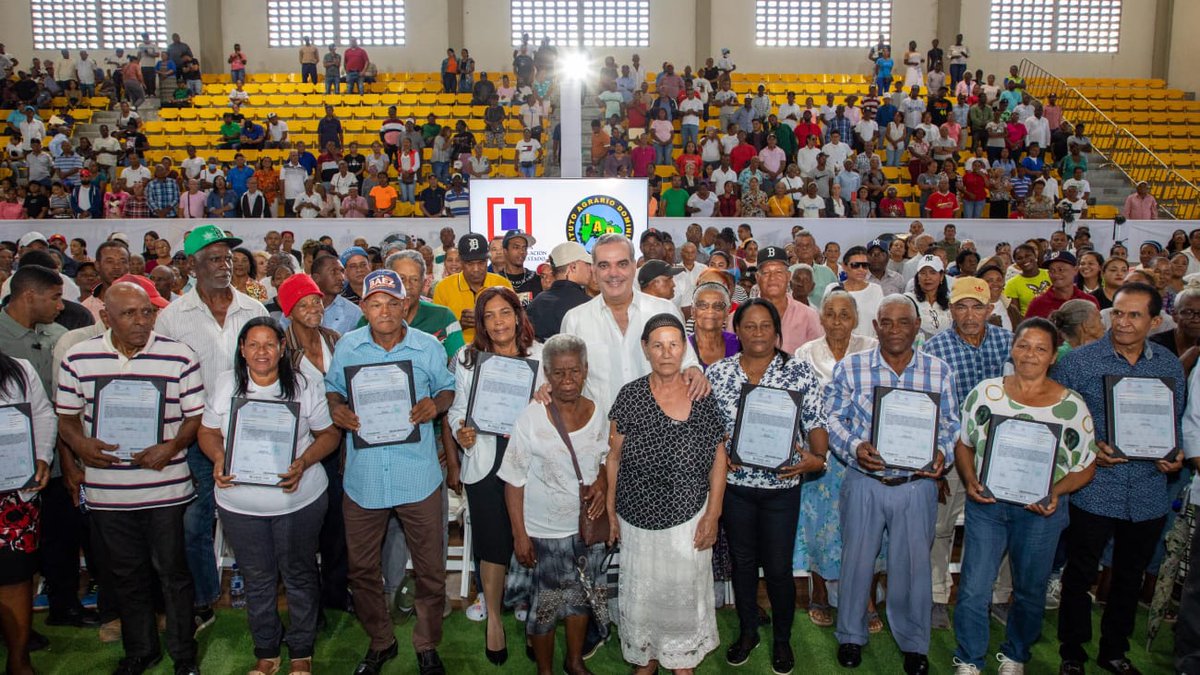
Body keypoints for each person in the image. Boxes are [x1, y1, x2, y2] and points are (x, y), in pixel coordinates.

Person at [57, 281, 203, 675]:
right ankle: (141, 650)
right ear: (106, 317)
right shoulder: (79, 357)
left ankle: (184, 655)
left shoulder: (178, 356)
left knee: (173, 574)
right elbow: (66, 418)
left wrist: (170, 448)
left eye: (146, 313)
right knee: (126, 575)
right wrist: (81, 446)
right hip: (108, 493)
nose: (141, 321)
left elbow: (195, 418)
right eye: (128, 314)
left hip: (167, 488)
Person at [325, 269, 454, 675]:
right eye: (375, 303)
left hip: (417, 473)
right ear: (364, 307)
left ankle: (427, 643)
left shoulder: (426, 348)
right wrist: (336, 407)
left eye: (392, 303)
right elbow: (333, 387)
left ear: (405, 306)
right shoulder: (348, 346)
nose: (384, 311)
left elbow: (447, 388)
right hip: (364, 478)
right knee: (362, 569)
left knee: (431, 568)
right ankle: (381, 640)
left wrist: (436, 405)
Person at [1052, 282, 1186, 675]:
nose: (1123, 322)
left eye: (1134, 315)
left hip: (1147, 488)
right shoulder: (1078, 362)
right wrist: (1090, 449)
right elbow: (1061, 425)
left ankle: (1114, 651)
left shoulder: (1166, 365)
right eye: (1118, 313)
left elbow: (1172, 424)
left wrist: (1174, 454)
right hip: (1095, 487)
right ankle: (1072, 653)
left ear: (1155, 320)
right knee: (1080, 573)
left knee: (1129, 576)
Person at [951, 318, 1097, 674]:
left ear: (1052, 357)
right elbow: (964, 444)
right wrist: (970, 479)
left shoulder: (1071, 406)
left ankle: (1015, 653)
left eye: (1040, 348)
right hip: (987, 505)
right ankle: (969, 658)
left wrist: (1055, 492)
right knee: (973, 588)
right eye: (1023, 345)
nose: (1030, 354)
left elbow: (1086, 465)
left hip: (1041, 513)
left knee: (1030, 590)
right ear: (1012, 348)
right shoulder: (987, 393)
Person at [826, 295, 959, 674]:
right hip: (864, 479)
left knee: (913, 566)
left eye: (904, 322)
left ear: (917, 327)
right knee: (856, 562)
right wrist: (854, 446)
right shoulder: (851, 369)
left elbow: (952, 423)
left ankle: (914, 642)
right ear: (876, 326)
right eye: (887, 322)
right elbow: (833, 418)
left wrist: (942, 454)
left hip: (916, 485)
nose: (895, 329)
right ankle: (851, 636)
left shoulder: (938, 371)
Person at [197, 317, 338, 675]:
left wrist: (303, 462)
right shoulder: (227, 383)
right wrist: (217, 457)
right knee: (258, 578)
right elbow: (208, 432)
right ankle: (267, 650)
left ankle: (302, 650)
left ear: (281, 348)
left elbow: (329, 435)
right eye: (254, 345)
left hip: (298, 500)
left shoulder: (305, 384)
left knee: (299, 573)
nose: (262, 352)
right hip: (239, 503)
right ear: (242, 350)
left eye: (270, 344)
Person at [155, 225, 267, 630]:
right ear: (191, 265)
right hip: (197, 436)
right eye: (214, 258)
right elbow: (165, 382)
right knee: (195, 522)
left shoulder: (254, 310)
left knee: (256, 518)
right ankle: (204, 598)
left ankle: (259, 593)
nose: (225, 265)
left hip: (253, 433)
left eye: (227, 257)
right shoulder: (171, 318)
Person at [708, 299, 829, 674]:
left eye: (765, 326)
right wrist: (722, 450)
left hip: (781, 487)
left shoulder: (799, 372)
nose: (757, 333)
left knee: (778, 568)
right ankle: (748, 632)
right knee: (743, 564)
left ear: (777, 331)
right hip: (735, 486)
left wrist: (817, 458)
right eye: (749, 326)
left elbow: (816, 423)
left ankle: (781, 640)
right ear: (738, 331)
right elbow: (708, 427)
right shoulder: (719, 373)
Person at [606, 312, 727, 673]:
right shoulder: (629, 395)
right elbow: (613, 457)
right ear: (645, 349)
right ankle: (647, 656)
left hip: (688, 518)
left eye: (674, 344)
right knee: (644, 597)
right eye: (657, 345)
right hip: (636, 519)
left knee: (682, 596)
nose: (666, 352)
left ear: (683, 348)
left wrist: (713, 514)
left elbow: (718, 458)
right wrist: (611, 512)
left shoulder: (700, 394)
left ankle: (681, 660)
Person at [498, 333, 608, 675]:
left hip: (585, 529)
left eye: (574, 371)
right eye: (558, 373)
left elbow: (604, 459)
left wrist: (603, 482)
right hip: (542, 532)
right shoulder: (531, 417)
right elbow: (513, 481)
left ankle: (574, 662)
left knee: (580, 600)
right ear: (546, 373)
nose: (567, 380)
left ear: (586, 369)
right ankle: (544, 671)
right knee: (544, 610)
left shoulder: (598, 410)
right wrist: (520, 535)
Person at [447, 286, 544, 664]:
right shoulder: (468, 358)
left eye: (505, 312)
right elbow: (457, 409)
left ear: (518, 316)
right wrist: (461, 431)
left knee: (535, 536)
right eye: (489, 315)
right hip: (484, 456)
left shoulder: (541, 353)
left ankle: (537, 619)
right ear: (481, 323)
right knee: (492, 541)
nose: (499, 321)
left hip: (531, 458)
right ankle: (494, 621)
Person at [922, 277, 1014, 630]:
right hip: (953, 451)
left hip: (1003, 453)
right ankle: (936, 596)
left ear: (990, 309)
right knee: (941, 528)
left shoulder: (1010, 344)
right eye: (961, 306)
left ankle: (1001, 595)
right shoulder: (935, 349)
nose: (970, 314)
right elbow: (932, 408)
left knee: (1004, 524)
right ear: (951, 310)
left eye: (977, 306)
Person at [794, 290, 879, 629]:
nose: (838, 321)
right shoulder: (806, 352)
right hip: (822, 455)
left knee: (867, 528)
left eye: (845, 314)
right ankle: (819, 594)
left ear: (855, 319)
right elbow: (798, 402)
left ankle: (867, 598)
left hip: (865, 454)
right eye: (831, 314)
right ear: (822, 318)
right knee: (820, 526)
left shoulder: (872, 349)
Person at [561, 234, 707, 412]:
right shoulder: (575, 320)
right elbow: (565, 380)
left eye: (621, 264)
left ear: (633, 267)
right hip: (600, 434)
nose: (613, 273)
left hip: (657, 433)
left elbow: (688, 363)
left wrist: (694, 371)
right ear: (594, 270)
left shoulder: (664, 310)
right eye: (604, 265)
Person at [0, 346, 53, 675]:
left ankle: (19, 660)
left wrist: (42, 457)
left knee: (15, 577)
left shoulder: (18, 370)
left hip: (12, 499)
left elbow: (44, 415)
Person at [527, 242, 593, 342]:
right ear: (573, 267)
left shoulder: (536, 302)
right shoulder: (589, 305)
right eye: (587, 264)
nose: (591, 268)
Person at [1025, 251, 1100, 319]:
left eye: (1061, 270)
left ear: (1075, 270)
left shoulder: (1089, 301)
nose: (1056, 275)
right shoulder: (1038, 304)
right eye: (1052, 271)